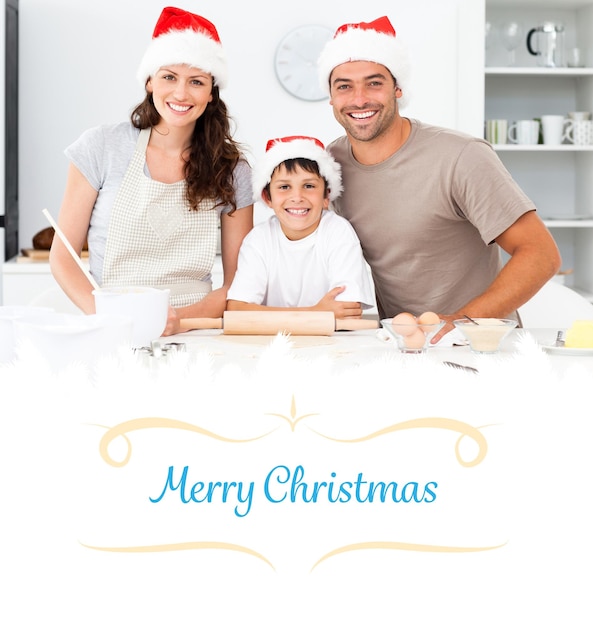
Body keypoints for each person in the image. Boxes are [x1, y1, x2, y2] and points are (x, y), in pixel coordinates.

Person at [317, 16, 561, 341]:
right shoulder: (330, 165)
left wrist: (462, 322)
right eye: (344, 86)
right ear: (331, 97)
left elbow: (541, 254)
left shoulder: (461, 156)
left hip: (481, 344)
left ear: (397, 88)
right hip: (400, 345)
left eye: (374, 83)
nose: (359, 98)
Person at [49, 6, 253, 335]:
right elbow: (63, 258)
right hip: (112, 328)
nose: (181, 93)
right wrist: (108, 318)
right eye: (169, 77)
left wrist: (178, 321)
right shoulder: (101, 147)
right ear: (149, 81)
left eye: (196, 81)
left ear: (211, 93)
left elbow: (239, 285)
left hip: (197, 331)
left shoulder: (231, 169)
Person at [226, 135, 374, 318]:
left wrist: (270, 316)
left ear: (326, 196)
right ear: (267, 198)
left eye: (309, 186)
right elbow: (237, 310)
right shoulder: (259, 239)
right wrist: (315, 313)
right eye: (284, 187)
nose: (297, 197)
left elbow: (347, 311)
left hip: (331, 343)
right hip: (273, 343)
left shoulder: (338, 232)